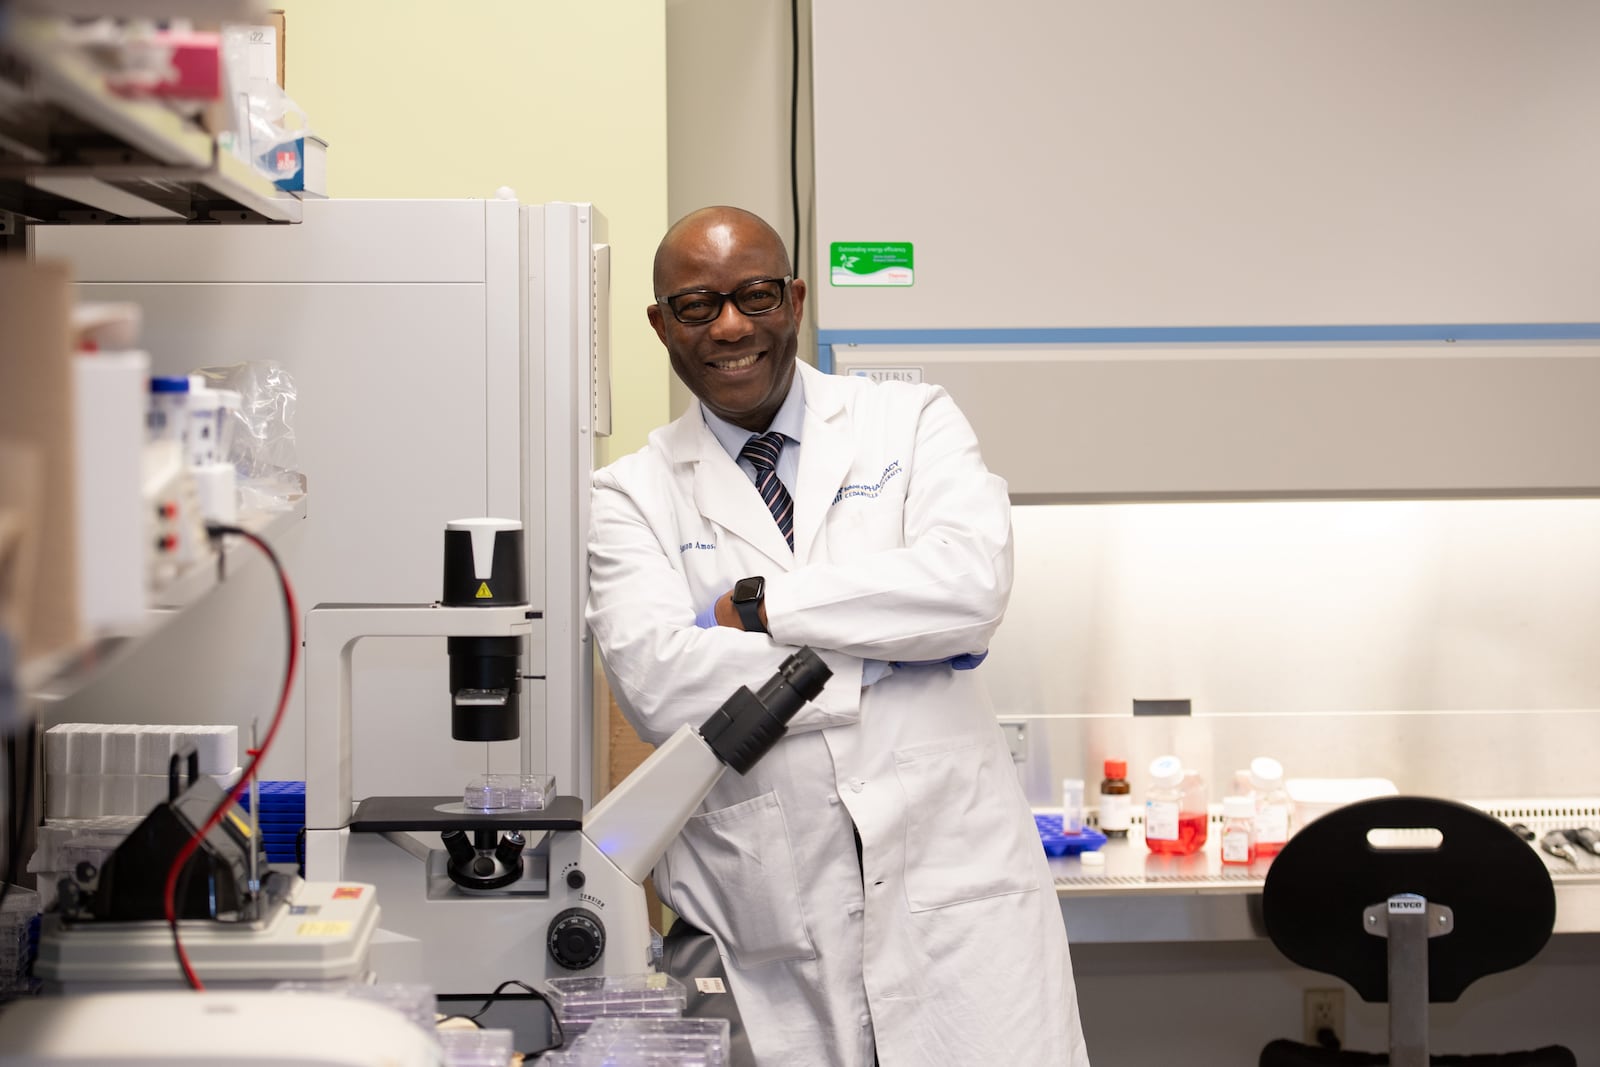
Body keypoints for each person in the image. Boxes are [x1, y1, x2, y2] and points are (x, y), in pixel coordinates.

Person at [586, 206, 1090, 1066]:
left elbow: (968, 588)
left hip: (960, 911)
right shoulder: (629, 495)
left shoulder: (911, 421)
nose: (732, 325)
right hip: (778, 923)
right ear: (661, 324)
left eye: (755, 295)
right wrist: (887, 651)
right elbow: (661, 682)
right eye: (699, 305)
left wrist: (762, 607)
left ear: (796, 297)